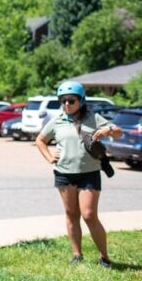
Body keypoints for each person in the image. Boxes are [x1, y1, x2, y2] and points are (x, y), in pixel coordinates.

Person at [34, 81, 121, 268]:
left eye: (71, 100)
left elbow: (119, 133)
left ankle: (104, 257)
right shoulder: (57, 120)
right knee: (71, 214)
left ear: (81, 100)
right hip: (64, 173)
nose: (66, 104)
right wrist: (49, 157)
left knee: (89, 215)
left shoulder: (93, 118)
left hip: (89, 173)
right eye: (63, 100)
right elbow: (40, 140)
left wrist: (110, 129)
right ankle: (77, 255)